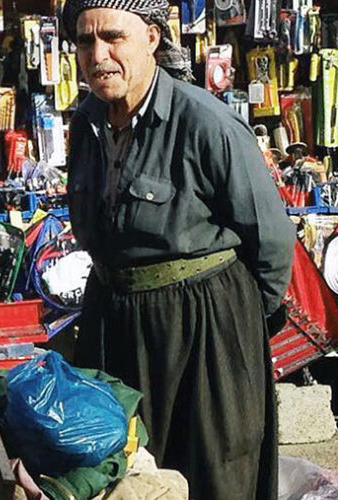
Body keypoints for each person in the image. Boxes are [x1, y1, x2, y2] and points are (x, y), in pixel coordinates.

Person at [61, 1, 295, 499]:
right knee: (121, 474)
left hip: (204, 329)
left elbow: (272, 240)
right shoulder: (85, 124)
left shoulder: (205, 122)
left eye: (112, 38)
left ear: (151, 38)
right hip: (113, 321)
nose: (98, 54)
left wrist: (241, 330)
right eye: (85, 41)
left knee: (214, 472)